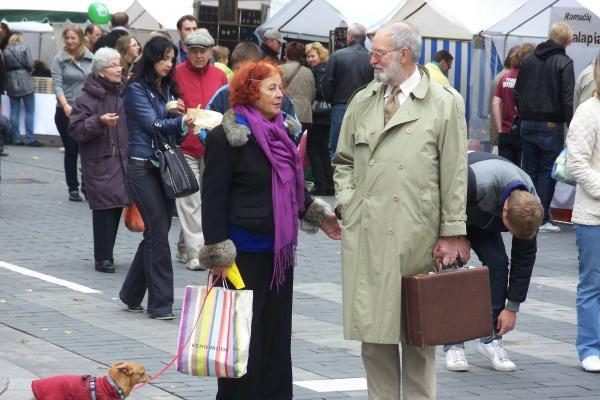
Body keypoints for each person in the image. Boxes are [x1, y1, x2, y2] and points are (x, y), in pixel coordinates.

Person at [332, 22, 467, 399]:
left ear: (405, 54)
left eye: (380, 53)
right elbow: (342, 160)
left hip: (416, 235)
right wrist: (348, 201)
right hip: (368, 233)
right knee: (374, 338)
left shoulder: (444, 102)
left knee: (419, 335)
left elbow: (455, 172)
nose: (372, 59)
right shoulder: (364, 100)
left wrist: (452, 232)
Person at [200, 59, 340, 400]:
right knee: (243, 337)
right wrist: (217, 251)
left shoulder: (283, 131)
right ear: (250, 92)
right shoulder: (225, 138)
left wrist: (318, 216)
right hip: (241, 254)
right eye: (271, 88)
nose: (280, 95)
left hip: (278, 252)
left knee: (276, 335)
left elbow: (293, 186)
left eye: (281, 88)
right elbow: (213, 198)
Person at [443, 152, 543, 372]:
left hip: (482, 213)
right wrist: (455, 236)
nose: (508, 233)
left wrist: (512, 307)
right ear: (504, 210)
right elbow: (444, 199)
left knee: (497, 264)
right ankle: (453, 344)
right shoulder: (477, 180)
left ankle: (491, 339)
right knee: (452, 263)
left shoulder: (531, 208)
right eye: (508, 228)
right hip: (456, 208)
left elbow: (524, 258)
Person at [118, 37, 194, 320]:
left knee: (156, 231)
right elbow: (152, 124)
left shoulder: (168, 90)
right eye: (164, 58)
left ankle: (130, 293)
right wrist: (176, 117)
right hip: (141, 166)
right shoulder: (137, 89)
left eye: (172, 59)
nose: (169, 63)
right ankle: (161, 304)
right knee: (159, 231)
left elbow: (172, 132)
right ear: (151, 59)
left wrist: (186, 125)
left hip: (163, 164)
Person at [68, 48, 129, 273]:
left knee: (115, 206)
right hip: (100, 160)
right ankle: (103, 257)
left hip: (121, 158)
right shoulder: (87, 98)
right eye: (113, 65)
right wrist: (99, 121)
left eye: (119, 64)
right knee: (104, 207)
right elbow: (76, 130)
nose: (119, 69)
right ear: (101, 71)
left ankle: (106, 254)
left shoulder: (123, 92)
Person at [173, 30, 227, 271]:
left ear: (210, 52)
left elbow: (227, 105)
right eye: (193, 50)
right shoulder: (175, 74)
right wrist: (173, 108)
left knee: (206, 200)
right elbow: (167, 102)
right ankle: (196, 254)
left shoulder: (219, 76)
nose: (198, 55)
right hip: (185, 144)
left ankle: (185, 246)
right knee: (189, 198)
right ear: (186, 50)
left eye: (203, 51)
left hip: (213, 147)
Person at [514, 21, 575, 233]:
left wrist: (523, 113)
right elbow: (566, 98)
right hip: (551, 124)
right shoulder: (564, 62)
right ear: (567, 40)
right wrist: (571, 124)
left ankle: (526, 214)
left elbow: (518, 91)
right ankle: (541, 217)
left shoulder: (528, 59)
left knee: (529, 169)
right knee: (547, 171)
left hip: (527, 123)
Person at [566, 56, 600, 372]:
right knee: (592, 283)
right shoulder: (589, 112)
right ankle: (590, 347)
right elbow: (577, 162)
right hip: (593, 216)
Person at [51, 26, 94, 202]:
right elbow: (57, 84)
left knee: (87, 150)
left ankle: (87, 185)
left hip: (86, 111)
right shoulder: (59, 59)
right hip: (65, 111)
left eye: (73, 38)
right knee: (71, 150)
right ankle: (73, 188)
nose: (69, 41)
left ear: (81, 39)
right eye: (67, 38)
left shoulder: (91, 59)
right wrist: (65, 104)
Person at [207, 42, 297, 119]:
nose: (243, 76)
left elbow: (295, 129)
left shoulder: (278, 95)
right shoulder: (223, 94)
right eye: (239, 69)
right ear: (233, 68)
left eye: (249, 71)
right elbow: (205, 126)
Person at [323, 22, 373, 157]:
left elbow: (327, 83)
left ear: (349, 36)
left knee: (337, 151)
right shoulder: (372, 58)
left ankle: (337, 178)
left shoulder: (337, 56)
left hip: (341, 107)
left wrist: (331, 101)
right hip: (366, 109)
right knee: (361, 151)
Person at [492, 43, 534, 165]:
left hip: (505, 132)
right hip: (522, 132)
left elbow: (496, 103)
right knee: (520, 172)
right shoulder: (528, 77)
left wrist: (500, 128)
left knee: (506, 169)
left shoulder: (505, 77)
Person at [306, 42, 334, 196]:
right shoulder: (328, 68)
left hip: (318, 115)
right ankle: (329, 184)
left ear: (320, 55)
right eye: (308, 56)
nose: (310, 59)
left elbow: (319, 91)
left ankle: (321, 184)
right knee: (323, 149)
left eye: (312, 56)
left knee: (313, 149)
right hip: (328, 114)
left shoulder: (318, 71)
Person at [3, 32, 41, 147]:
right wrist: (30, 71)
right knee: (30, 110)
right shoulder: (25, 47)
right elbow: (30, 63)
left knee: (14, 111)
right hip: (25, 79)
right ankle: (30, 139)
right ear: (20, 39)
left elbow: (4, 66)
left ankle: (16, 139)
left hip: (11, 80)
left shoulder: (5, 51)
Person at [489, 46, 519, 149]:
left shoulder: (501, 76)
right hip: (507, 129)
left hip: (501, 131)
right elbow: (498, 105)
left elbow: (495, 104)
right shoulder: (507, 76)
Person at [281, 41, 315, 129]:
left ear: (286, 53)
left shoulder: (280, 69)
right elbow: (312, 95)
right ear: (301, 55)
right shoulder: (308, 72)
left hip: (286, 115)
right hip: (305, 116)